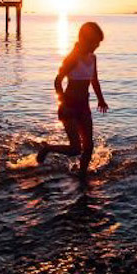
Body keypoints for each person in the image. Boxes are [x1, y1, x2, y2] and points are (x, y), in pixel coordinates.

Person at [37, 21, 108, 178]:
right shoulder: (72, 58)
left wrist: (101, 100)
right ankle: (47, 148)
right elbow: (58, 80)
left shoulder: (93, 58)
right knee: (75, 149)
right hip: (69, 106)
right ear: (85, 40)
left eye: (98, 43)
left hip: (84, 106)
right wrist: (62, 101)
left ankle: (82, 175)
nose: (97, 46)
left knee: (89, 147)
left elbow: (94, 80)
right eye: (95, 42)